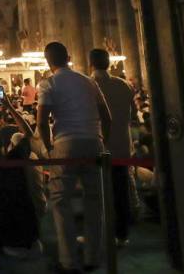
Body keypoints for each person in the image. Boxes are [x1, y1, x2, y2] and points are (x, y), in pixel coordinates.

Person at [38, 41, 112, 273]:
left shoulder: (48, 83)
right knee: (94, 201)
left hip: (66, 145)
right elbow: (107, 118)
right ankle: (92, 258)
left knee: (60, 202)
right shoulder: (88, 81)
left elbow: (41, 121)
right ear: (68, 57)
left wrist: (49, 148)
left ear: (48, 61)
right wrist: (102, 143)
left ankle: (69, 261)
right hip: (93, 143)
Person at [91, 47, 136, 247]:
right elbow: (132, 114)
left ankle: (102, 234)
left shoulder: (90, 86)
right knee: (120, 191)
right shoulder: (125, 86)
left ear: (91, 63)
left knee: (98, 192)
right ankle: (122, 234)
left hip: (100, 145)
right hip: (122, 145)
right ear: (109, 63)